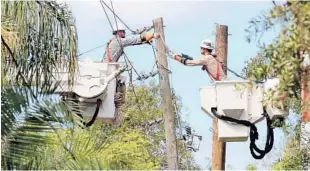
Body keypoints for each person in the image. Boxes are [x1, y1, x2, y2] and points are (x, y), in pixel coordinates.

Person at [104, 23, 159, 126]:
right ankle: (117, 105)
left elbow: (132, 42)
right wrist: (151, 35)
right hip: (108, 69)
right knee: (121, 83)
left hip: (108, 68)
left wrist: (144, 42)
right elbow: (132, 40)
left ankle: (116, 104)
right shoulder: (118, 41)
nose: (124, 33)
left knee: (121, 80)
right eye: (123, 32)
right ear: (119, 32)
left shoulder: (114, 41)